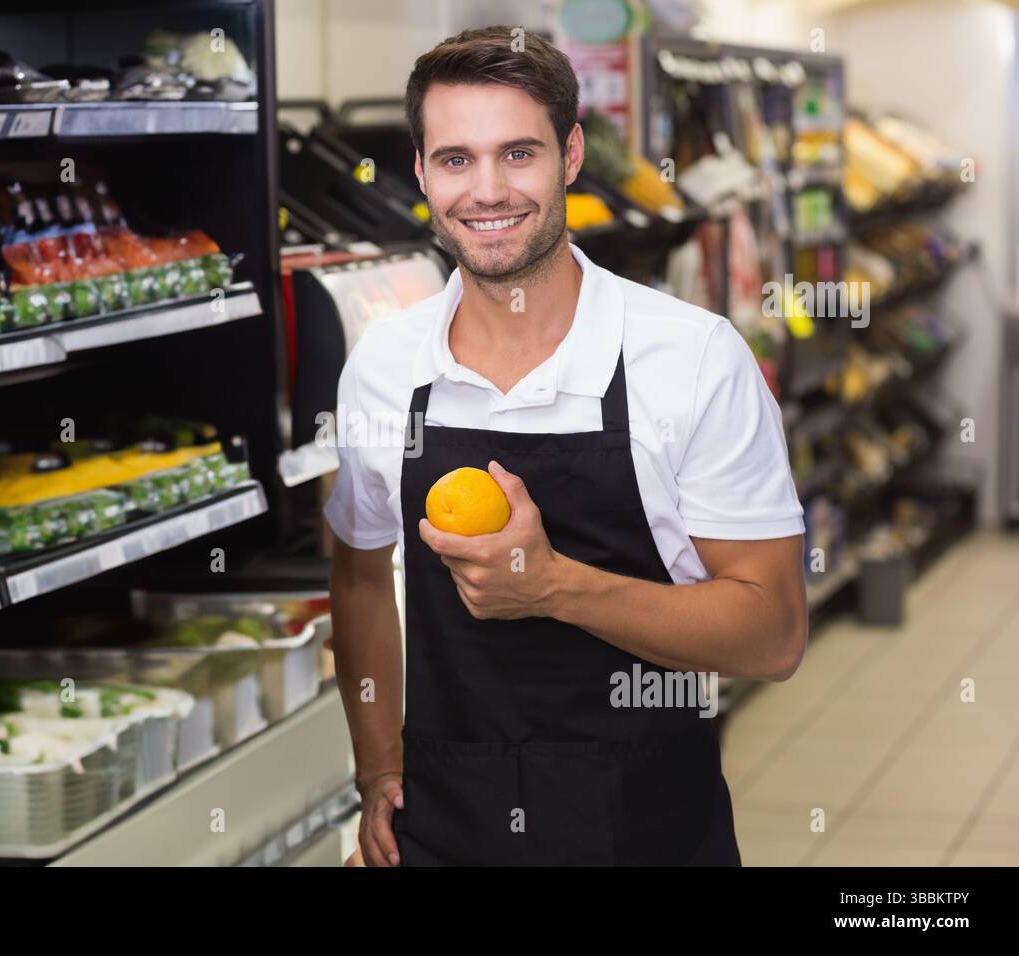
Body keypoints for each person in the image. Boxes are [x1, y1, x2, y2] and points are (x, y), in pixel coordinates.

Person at [324, 26, 807, 867]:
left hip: (646, 830)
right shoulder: (385, 367)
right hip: (444, 826)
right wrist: (378, 765)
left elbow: (773, 634)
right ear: (422, 173)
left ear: (572, 154)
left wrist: (552, 587)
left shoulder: (688, 358)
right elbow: (361, 572)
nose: (486, 190)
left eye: (518, 154)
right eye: (455, 159)